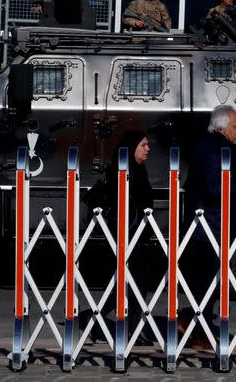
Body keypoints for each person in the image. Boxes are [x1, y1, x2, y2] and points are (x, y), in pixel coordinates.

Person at [82, 130, 158, 345]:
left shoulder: (139, 171)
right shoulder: (121, 171)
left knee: (133, 282)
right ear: (132, 146)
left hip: (138, 234)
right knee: (134, 282)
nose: (148, 149)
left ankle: (100, 319)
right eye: (143, 145)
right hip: (125, 234)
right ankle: (130, 329)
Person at [181, 105, 236, 347]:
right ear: (221, 128)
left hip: (212, 224)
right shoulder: (212, 148)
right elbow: (214, 188)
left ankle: (199, 324)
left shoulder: (216, 146)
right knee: (207, 279)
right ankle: (198, 328)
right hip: (208, 226)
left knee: (209, 279)